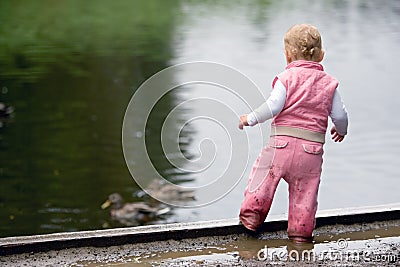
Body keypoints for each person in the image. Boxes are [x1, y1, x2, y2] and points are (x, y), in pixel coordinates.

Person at [238, 24, 348, 243]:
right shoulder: (330, 83)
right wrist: (341, 130)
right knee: (305, 194)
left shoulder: (286, 78)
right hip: (311, 152)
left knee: (263, 179)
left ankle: (251, 218)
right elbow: (340, 115)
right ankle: (300, 233)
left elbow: (273, 106)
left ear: (287, 56)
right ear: (321, 55)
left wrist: (249, 118)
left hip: (280, 146)